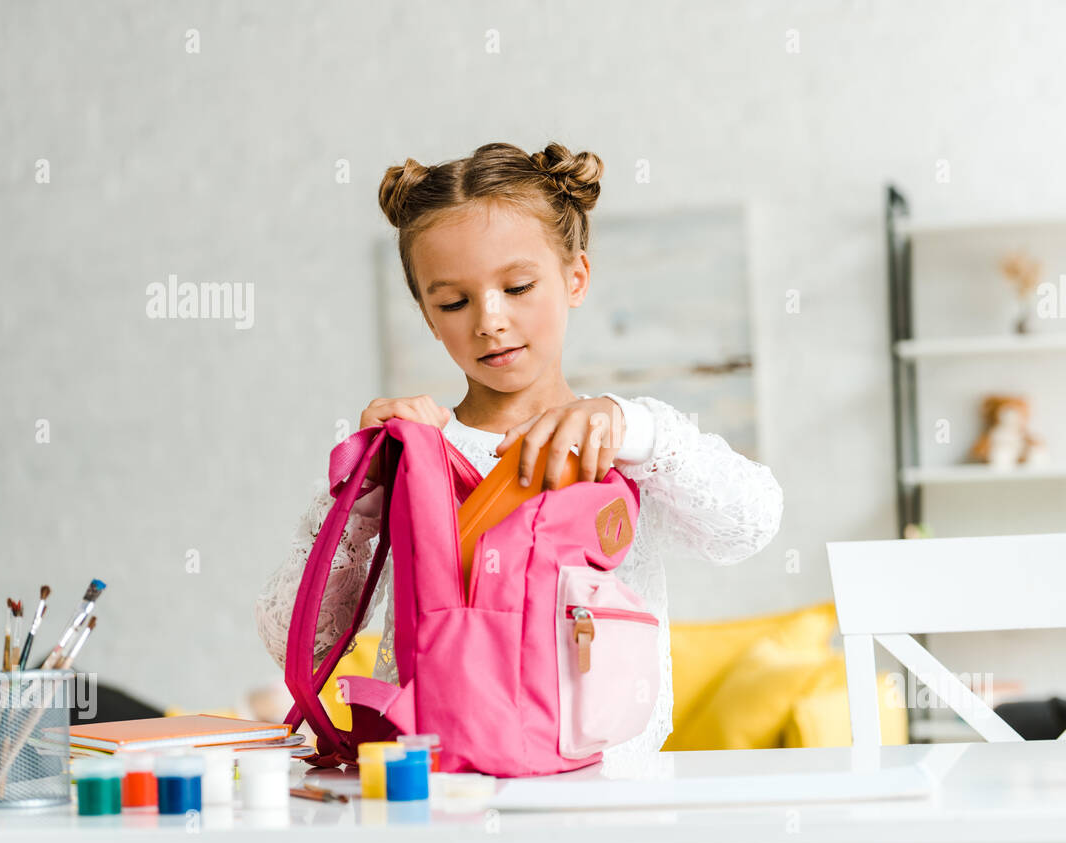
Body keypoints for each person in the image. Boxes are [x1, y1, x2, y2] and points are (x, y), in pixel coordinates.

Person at [255, 141, 783, 756]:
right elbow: (293, 638)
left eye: (519, 286)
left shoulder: (624, 441)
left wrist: (637, 429)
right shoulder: (413, 452)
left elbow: (750, 525)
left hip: (607, 787)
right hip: (434, 784)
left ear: (575, 278)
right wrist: (362, 497)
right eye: (453, 301)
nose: (489, 319)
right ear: (428, 314)